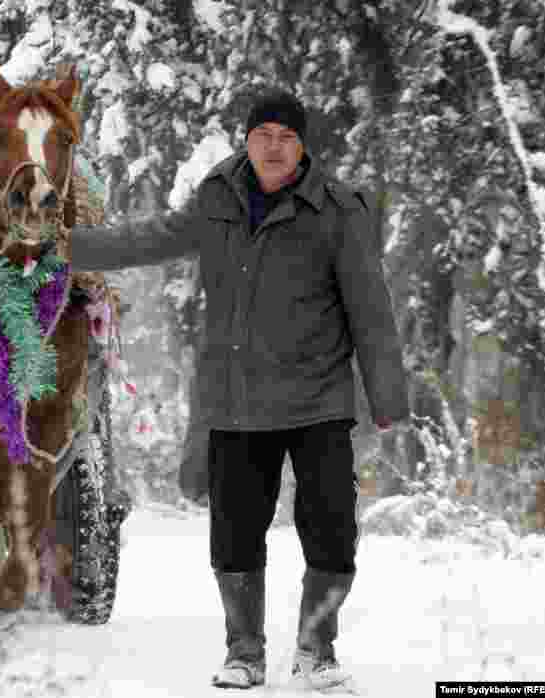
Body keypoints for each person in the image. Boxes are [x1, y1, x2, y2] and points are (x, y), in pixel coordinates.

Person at [69, 88, 409, 690]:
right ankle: (244, 651)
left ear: (302, 147)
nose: (274, 147)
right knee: (234, 534)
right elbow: (148, 239)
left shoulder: (338, 209)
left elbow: (371, 309)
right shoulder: (217, 199)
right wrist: (62, 248)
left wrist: (387, 399)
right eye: (263, 136)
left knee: (331, 527)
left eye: (286, 137)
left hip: (318, 398)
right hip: (236, 399)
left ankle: (315, 651)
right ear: (246, 141)